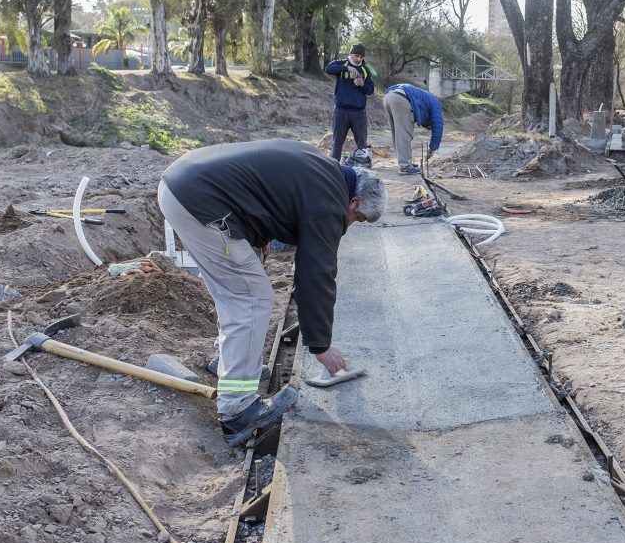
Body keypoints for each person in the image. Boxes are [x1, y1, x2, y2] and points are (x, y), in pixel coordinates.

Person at [157, 139, 388, 447]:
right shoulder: (330, 203)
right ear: (354, 202)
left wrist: (256, 235)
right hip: (200, 200)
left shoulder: (323, 172)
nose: (350, 224)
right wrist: (320, 344)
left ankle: (229, 364)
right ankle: (238, 410)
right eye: (356, 219)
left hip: (185, 187)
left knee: (236, 291)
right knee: (252, 298)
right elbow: (315, 275)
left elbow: (267, 193)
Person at [325, 44, 375, 166]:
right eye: (357, 56)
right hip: (341, 111)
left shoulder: (365, 70)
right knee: (337, 142)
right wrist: (345, 69)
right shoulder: (341, 63)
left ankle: (364, 167)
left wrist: (362, 84)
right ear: (351, 54)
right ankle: (334, 167)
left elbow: (371, 90)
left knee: (362, 144)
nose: (359, 59)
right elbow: (328, 69)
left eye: (361, 57)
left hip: (358, 113)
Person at [383, 83, 445, 175]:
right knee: (404, 134)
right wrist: (432, 148)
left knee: (397, 133)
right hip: (401, 99)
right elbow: (438, 128)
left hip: (388, 97)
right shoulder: (436, 107)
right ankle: (405, 167)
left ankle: (404, 163)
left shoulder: (426, 98)